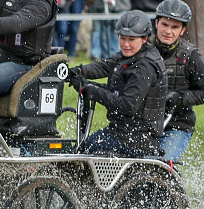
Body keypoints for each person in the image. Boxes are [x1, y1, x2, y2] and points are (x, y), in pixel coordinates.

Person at [66, 10, 166, 157]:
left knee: (84, 151)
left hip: (136, 138)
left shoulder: (144, 67)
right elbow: (104, 67)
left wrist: (92, 91)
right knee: (83, 147)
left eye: (131, 40)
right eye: (122, 38)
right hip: (124, 131)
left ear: (144, 38)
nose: (126, 44)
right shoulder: (130, 55)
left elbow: (127, 106)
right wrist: (74, 72)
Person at [152, 0, 204, 161]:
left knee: (161, 166)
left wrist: (179, 97)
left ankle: (171, 183)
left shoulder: (191, 57)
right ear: (156, 23)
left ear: (182, 30)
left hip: (177, 126)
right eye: (165, 25)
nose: (168, 31)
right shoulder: (142, 50)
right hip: (143, 126)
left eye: (175, 27)